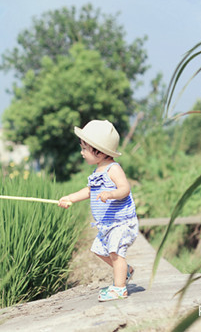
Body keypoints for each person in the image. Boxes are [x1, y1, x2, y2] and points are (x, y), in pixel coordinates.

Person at [58, 119, 138, 302]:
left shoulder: (113, 169)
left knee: (116, 253)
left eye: (85, 148)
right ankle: (126, 270)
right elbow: (89, 191)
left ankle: (119, 288)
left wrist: (111, 194)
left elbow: (125, 189)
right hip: (107, 225)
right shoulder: (96, 172)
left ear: (99, 151)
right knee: (99, 250)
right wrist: (70, 198)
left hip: (120, 222)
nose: (82, 152)